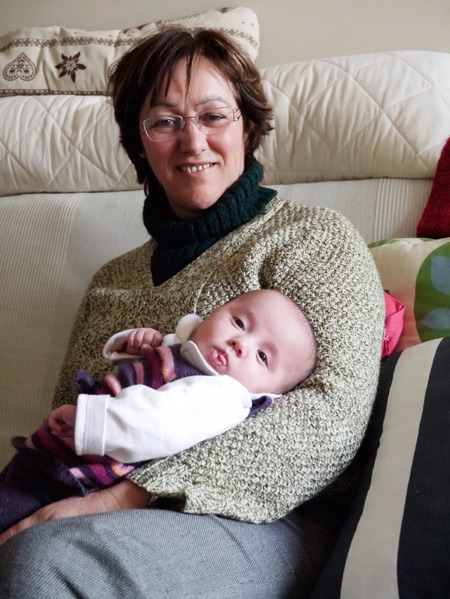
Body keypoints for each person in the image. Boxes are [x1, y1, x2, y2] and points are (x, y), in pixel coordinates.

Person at [0, 26, 385, 598]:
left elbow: (331, 418)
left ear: (247, 127)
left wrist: (123, 499)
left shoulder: (315, 239)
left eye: (213, 116)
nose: (193, 142)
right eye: (165, 122)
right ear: (139, 144)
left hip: (271, 515)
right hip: (94, 511)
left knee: (43, 562)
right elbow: (71, 423)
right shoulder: (110, 283)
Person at [0, 289, 317, 534]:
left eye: (262, 356)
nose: (240, 343)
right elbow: (144, 380)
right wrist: (137, 348)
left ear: (271, 392)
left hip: (76, 476)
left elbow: (156, 423)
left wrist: (87, 421)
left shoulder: (224, 395)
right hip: (54, 459)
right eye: (239, 323)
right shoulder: (191, 354)